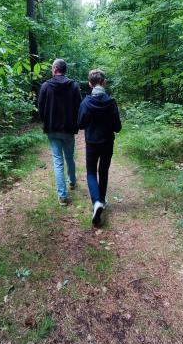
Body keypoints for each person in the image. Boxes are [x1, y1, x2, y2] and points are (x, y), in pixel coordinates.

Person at [78, 69, 122, 226]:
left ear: (90, 84)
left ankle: (96, 202)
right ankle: (101, 201)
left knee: (91, 172)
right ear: (104, 82)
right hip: (107, 143)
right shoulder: (111, 102)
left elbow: (80, 124)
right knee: (103, 171)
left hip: (91, 143)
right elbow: (117, 127)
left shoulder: (85, 103)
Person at [38, 59, 82, 206]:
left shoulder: (45, 86)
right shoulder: (74, 86)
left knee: (58, 161)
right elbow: (79, 108)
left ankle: (62, 196)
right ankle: (72, 182)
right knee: (69, 157)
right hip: (68, 129)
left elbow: (41, 109)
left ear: (55, 69)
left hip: (52, 129)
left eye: (52, 67)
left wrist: (47, 121)